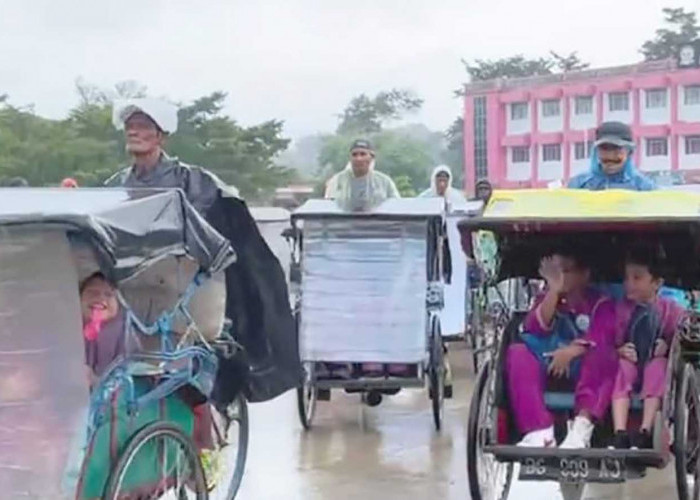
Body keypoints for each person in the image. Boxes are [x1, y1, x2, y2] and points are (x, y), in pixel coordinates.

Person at [106, 98, 301, 404]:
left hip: (187, 279)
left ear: (161, 135)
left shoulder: (195, 180)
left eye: (143, 126)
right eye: (130, 126)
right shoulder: (116, 185)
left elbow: (212, 235)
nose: (134, 132)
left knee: (192, 359)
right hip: (137, 281)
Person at [506, 251, 618, 449]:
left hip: (585, 365)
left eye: (566, 271)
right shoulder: (548, 298)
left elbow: (603, 336)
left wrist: (571, 352)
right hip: (550, 360)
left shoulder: (601, 302)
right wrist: (553, 290)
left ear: (585, 274)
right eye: (556, 272)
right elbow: (535, 328)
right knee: (518, 353)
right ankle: (540, 432)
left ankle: (582, 427)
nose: (561, 277)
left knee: (603, 355)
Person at [610, 247, 685, 449]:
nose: (629, 284)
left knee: (658, 369)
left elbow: (683, 338)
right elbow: (611, 340)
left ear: (657, 283)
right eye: (627, 278)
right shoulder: (620, 309)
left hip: (655, 363)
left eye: (637, 278)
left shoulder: (671, 310)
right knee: (622, 369)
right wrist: (620, 350)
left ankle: (646, 429)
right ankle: (620, 431)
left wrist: (668, 346)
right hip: (631, 361)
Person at [568, 121, 655, 191]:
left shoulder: (643, 187)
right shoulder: (579, 185)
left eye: (617, 148)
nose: (610, 155)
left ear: (629, 152)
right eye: (605, 148)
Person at [324, 139, 400, 211]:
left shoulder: (385, 182)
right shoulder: (336, 181)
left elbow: (396, 207)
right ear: (350, 158)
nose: (358, 159)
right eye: (354, 154)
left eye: (363, 154)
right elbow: (328, 209)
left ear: (371, 157)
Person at [80, 273, 126, 390]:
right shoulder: (66, 326)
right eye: (92, 292)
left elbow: (128, 366)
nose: (101, 298)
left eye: (109, 294)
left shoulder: (125, 331)